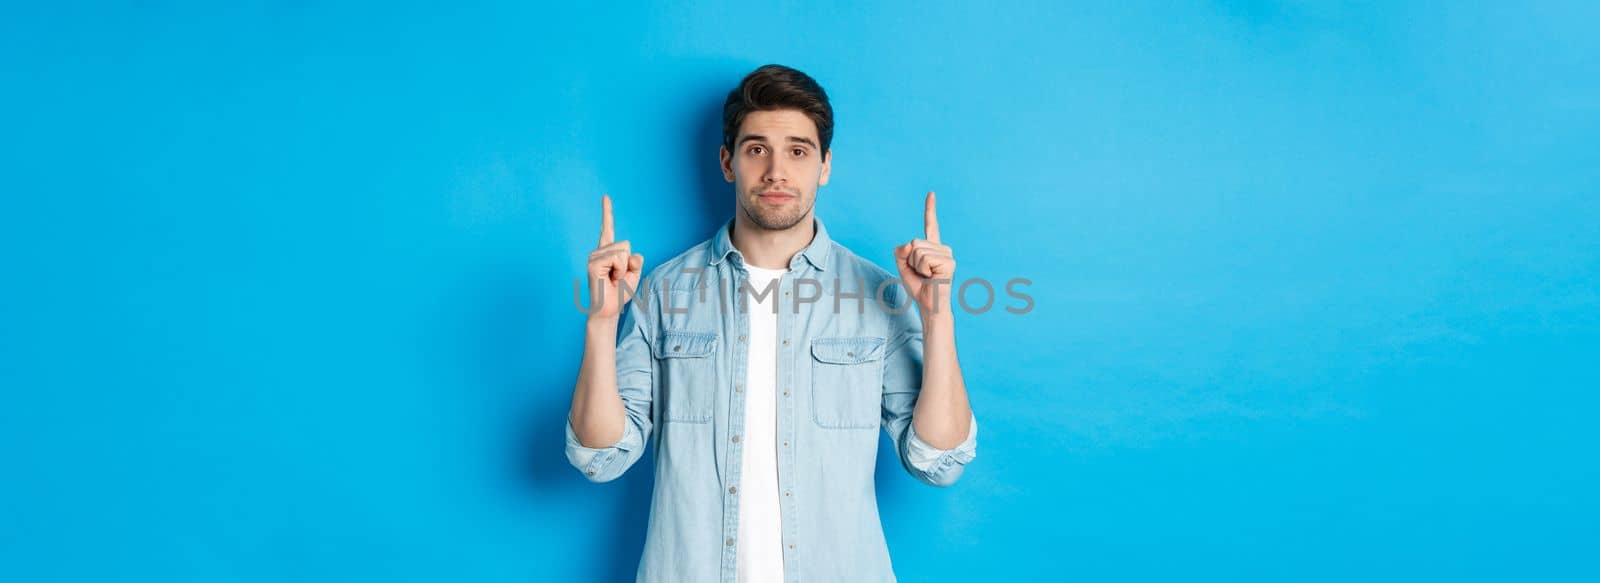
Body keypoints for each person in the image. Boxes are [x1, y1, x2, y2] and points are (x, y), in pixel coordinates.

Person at [565, 64, 978, 583]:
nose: (777, 171)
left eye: (798, 151)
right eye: (757, 148)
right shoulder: (663, 292)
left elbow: (939, 461)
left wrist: (937, 318)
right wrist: (603, 322)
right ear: (727, 162)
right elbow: (601, 457)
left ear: (824, 165)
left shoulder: (878, 298)